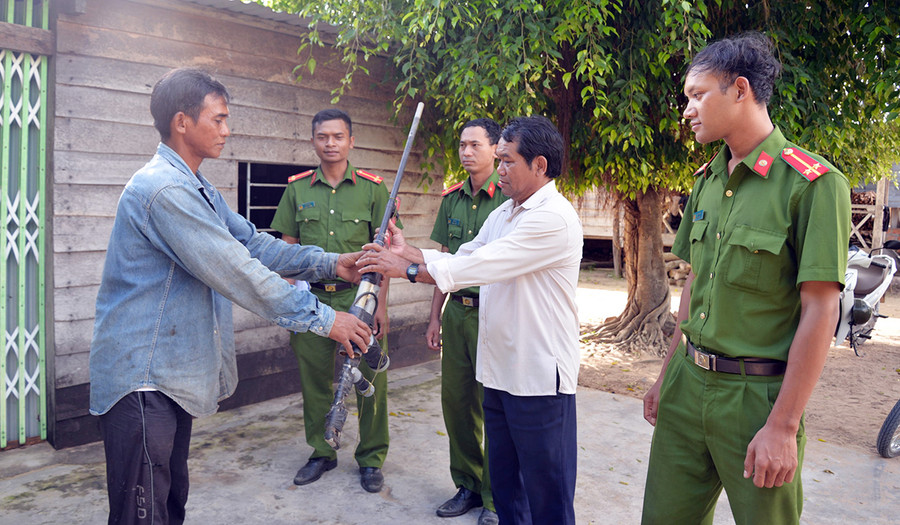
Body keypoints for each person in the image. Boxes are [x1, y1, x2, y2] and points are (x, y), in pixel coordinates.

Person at [89, 68, 371, 525]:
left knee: (169, 500)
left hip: (167, 378)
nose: (226, 129)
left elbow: (254, 244)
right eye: (217, 119)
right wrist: (324, 318)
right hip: (142, 379)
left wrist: (332, 263)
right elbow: (238, 271)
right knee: (143, 513)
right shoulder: (164, 189)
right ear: (182, 122)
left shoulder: (198, 188)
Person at [641, 33, 851, 525]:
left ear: (739, 89)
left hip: (757, 400)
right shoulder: (708, 180)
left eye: (697, 95)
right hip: (686, 386)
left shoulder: (813, 185)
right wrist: (666, 376)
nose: (687, 109)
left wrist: (783, 424)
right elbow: (694, 285)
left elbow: (821, 309)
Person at [358, 116, 583, 525]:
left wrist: (404, 270)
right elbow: (463, 256)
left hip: (537, 380)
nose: (499, 170)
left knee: (547, 495)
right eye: (498, 160)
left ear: (540, 166)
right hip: (499, 373)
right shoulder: (505, 214)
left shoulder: (553, 217)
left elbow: (483, 265)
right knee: (508, 491)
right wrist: (410, 252)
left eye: (507, 161)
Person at [270, 108, 393, 493]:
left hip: (361, 299)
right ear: (313, 141)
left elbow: (385, 255)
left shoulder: (373, 189)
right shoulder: (297, 189)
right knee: (316, 384)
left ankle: (371, 458)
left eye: (338, 136)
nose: (330, 143)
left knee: (369, 382)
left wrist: (381, 308)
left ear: (351, 141)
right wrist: (289, 304)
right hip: (312, 303)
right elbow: (286, 252)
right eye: (323, 136)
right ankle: (322, 452)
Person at [427, 118, 506, 525]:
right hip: (457, 312)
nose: (466, 152)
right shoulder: (451, 200)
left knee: (492, 405)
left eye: (476, 144)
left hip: (494, 311)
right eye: (462, 145)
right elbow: (442, 261)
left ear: (495, 149)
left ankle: (495, 498)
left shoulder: (508, 202)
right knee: (457, 403)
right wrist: (433, 317)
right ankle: (468, 485)